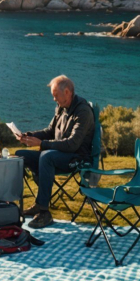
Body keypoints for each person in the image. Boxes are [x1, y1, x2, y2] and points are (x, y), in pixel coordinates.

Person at [16, 75, 94, 229]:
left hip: (76, 158)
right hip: (58, 154)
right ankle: (30, 203)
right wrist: (29, 136)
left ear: (67, 92)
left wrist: (42, 144)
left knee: (46, 157)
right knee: (20, 155)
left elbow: (72, 144)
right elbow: (50, 131)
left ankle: (44, 212)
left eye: (56, 95)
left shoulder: (83, 111)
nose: (54, 99)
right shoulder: (61, 107)